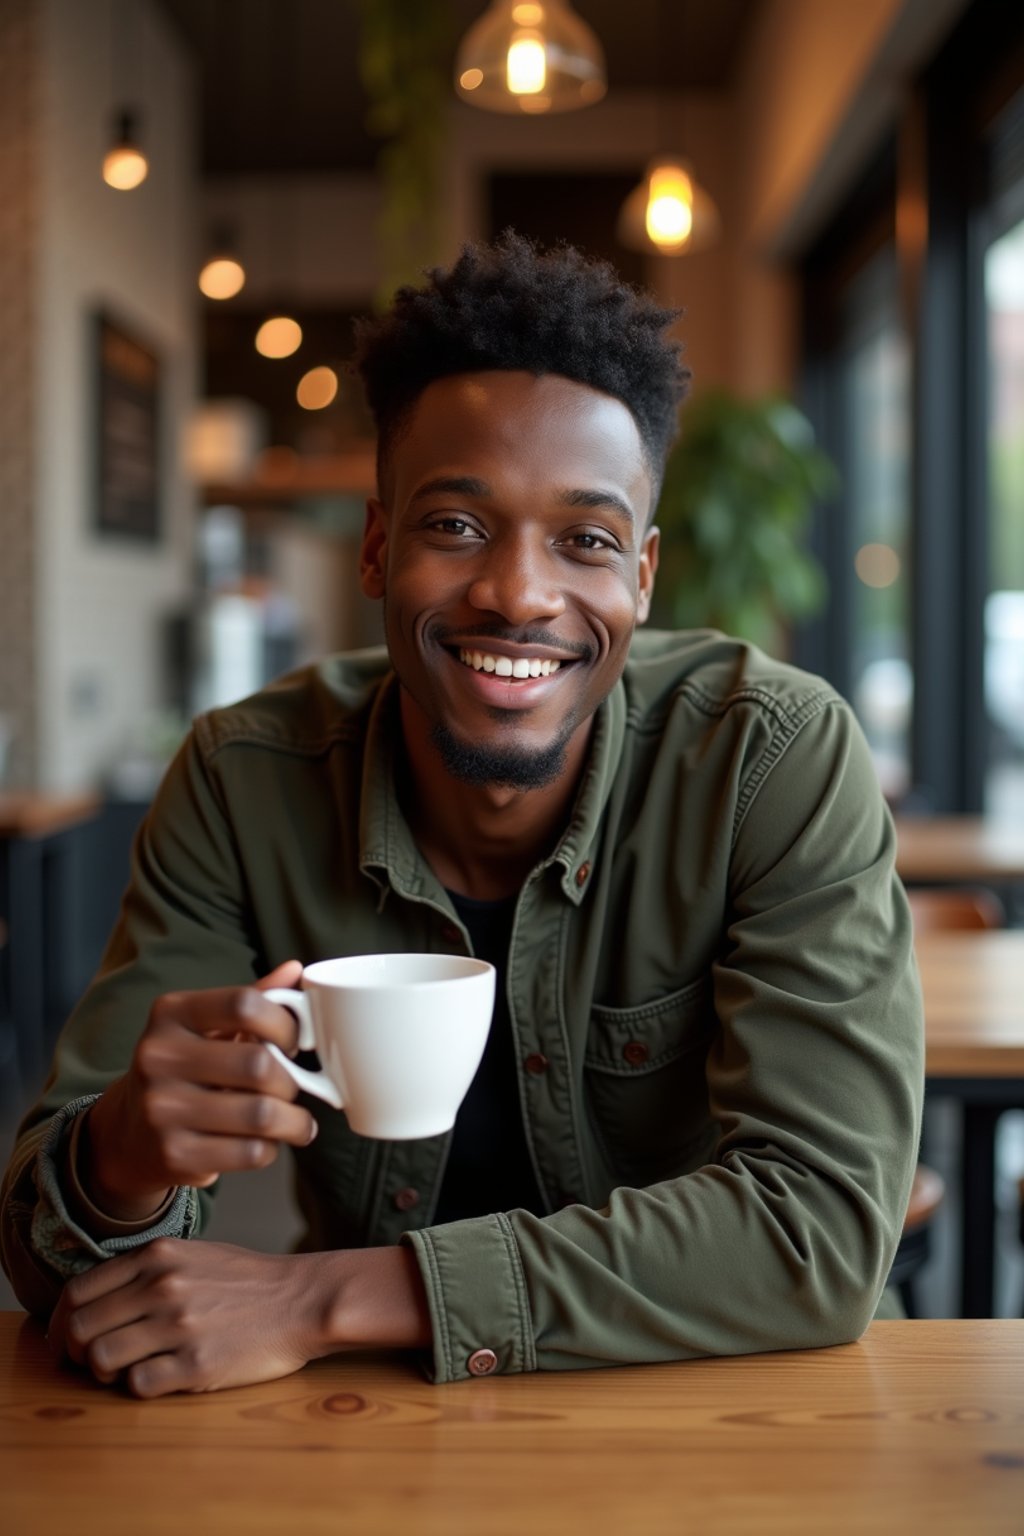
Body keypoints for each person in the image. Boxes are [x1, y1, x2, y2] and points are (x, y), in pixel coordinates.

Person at [0, 234, 923, 1396]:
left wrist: (330, 1294)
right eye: (456, 525)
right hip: (362, 1419)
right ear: (379, 548)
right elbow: (55, 1259)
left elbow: (820, 1237)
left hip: (722, 1406)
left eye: (585, 541)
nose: (519, 594)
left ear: (640, 579)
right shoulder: (246, 778)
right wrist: (123, 1155)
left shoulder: (766, 758)